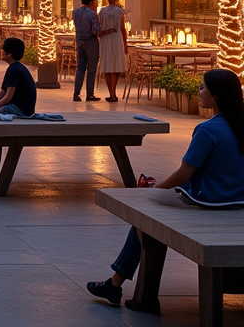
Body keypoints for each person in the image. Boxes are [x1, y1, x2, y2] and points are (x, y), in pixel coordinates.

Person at [87, 69, 244, 312]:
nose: (198, 92)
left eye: (202, 88)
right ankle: (114, 284)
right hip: (239, 202)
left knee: (144, 218)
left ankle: (120, 286)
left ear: (217, 96)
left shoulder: (208, 130)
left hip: (209, 202)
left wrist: (152, 190)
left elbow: (184, 174)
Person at [0, 37, 36, 115]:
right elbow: (3, 91)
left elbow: (8, 97)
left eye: (4, 52)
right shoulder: (15, 67)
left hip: (20, 109)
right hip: (19, 107)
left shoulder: (14, 70)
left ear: (9, 54)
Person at [72, 0, 104, 102]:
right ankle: (90, 94)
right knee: (91, 69)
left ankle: (76, 93)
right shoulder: (92, 14)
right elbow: (96, 31)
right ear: (91, 2)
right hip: (91, 42)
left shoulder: (76, 12)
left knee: (80, 67)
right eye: (95, 2)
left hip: (79, 41)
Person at [99, 0, 128, 103]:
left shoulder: (102, 11)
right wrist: (125, 43)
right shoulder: (120, 11)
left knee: (107, 64)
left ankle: (110, 93)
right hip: (117, 38)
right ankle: (113, 94)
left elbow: (99, 25)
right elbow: (122, 28)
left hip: (106, 39)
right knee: (116, 64)